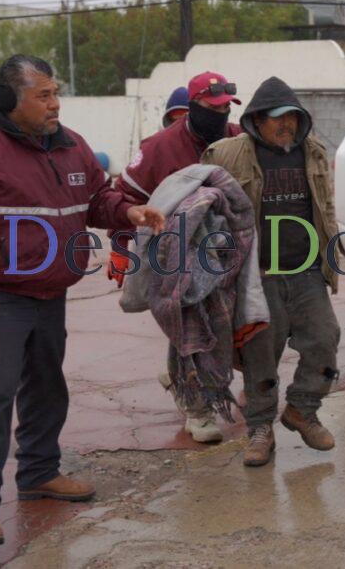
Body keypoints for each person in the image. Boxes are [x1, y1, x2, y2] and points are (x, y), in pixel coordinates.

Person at [0, 54, 165, 549]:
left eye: (56, 94)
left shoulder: (71, 145)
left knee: (47, 388)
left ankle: (38, 472)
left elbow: (98, 200)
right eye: (44, 95)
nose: (56, 104)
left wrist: (129, 211)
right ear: (10, 100)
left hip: (51, 293)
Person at [201, 76, 341, 467]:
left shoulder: (312, 152)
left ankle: (302, 409)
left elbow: (325, 207)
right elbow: (202, 211)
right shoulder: (226, 155)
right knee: (261, 355)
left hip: (306, 268)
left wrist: (329, 259)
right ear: (257, 120)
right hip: (256, 276)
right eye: (278, 119)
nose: (287, 126)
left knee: (325, 340)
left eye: (293, 118)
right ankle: (260, 430)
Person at [110, 71, 242, 443]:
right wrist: (121, 249)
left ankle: (184, 378)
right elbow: (124, 198)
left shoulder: (236, 141)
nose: (220, 115)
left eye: (225, 108)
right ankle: (197, 409)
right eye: (212, 107)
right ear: (194, 105)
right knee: (188, 326)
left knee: (225, 327)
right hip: (171, 254)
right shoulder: (159, 148)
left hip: (224, 254)